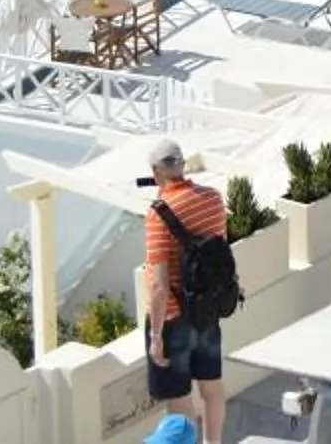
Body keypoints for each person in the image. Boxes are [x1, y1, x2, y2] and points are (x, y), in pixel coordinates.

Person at [138, 139, 230, 444]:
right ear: (182, 165)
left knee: (179, 401)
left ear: (155, 172)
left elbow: (159, 285)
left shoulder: (158, 214)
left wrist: (155, 336)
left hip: (175, 318)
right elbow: (220, 251)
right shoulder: (213, 198)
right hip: (207, 309)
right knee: (212, 388)